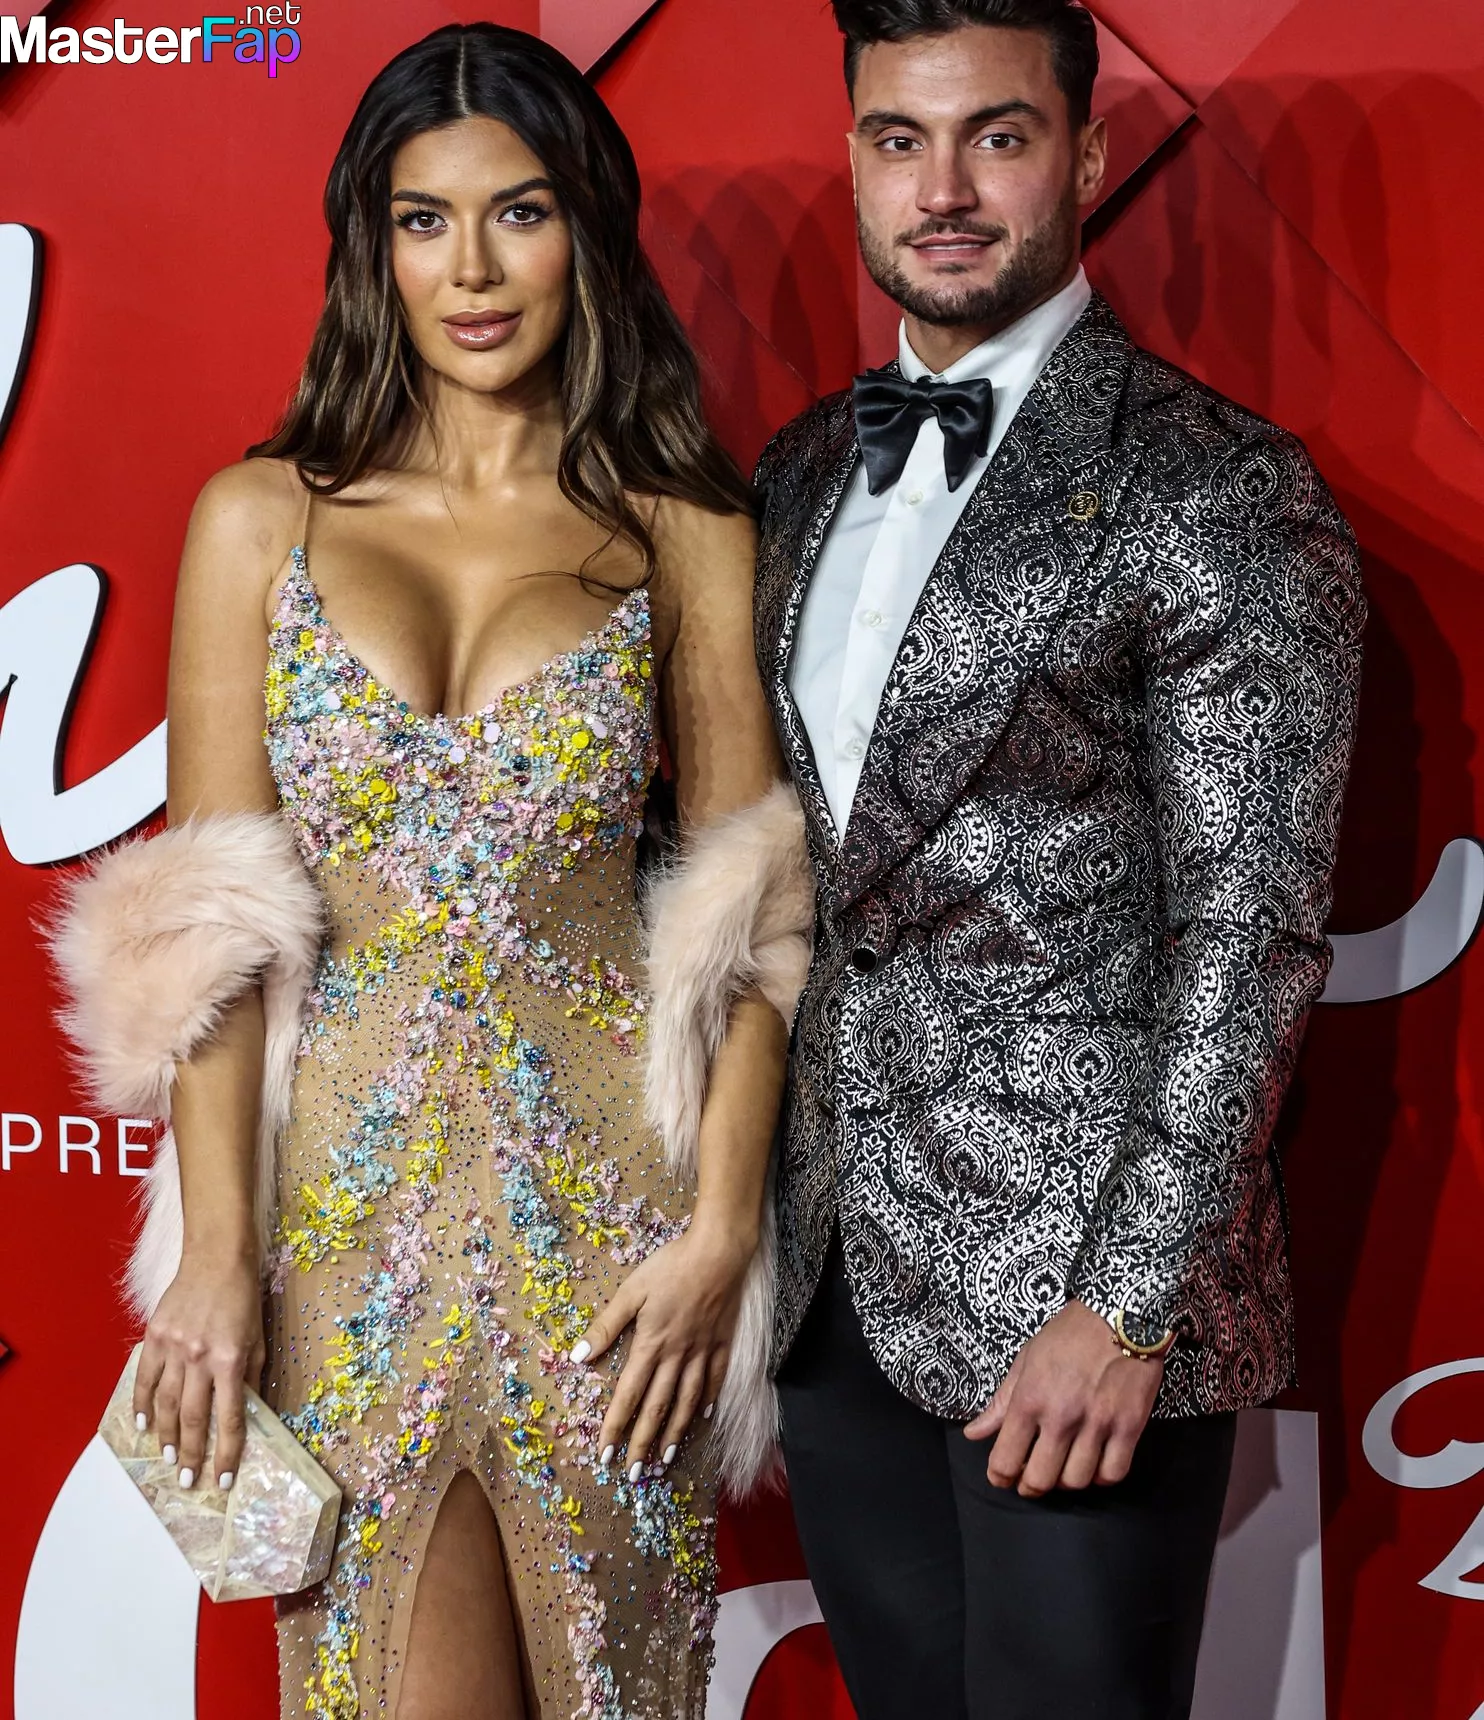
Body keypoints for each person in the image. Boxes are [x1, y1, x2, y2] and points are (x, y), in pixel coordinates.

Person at [52, 22, 810, 1720]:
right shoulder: (259, 518)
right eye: (423, 219)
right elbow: (214, 932)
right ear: (371, 246)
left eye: (518, 213)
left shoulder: (682, 528)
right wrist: (221, 1251)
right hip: (341, 1233)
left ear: (585, 234)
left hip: (610, 1239)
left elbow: (754, 917)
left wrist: (720, 1232)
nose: (470, 269)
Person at [752, 2, 1366, 1716]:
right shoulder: (798, 473)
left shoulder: (1217, 486)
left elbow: (1250, 937)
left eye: (998, 136)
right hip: (835, 1283)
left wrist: (1129, 1302)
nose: (943, 190)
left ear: (1088, 156)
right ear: (855, 160)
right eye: (900, 139)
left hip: (1080, 1316)